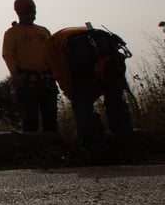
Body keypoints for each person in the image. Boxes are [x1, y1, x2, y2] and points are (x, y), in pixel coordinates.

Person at [44, 24, 134, 155]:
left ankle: (91, 149)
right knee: (116, 98)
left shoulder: (48, 51)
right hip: (105, 44)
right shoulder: (66, 37)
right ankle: (125, 145)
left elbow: (64, 77)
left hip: (80, 49)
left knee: (82, 104)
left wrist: (77, 98)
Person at [1, 0, 58, 133]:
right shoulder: (12, 33)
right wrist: (15, 75)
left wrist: (56, 73)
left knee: (51, 121)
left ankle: (52, 151)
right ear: (19, 13)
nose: (31, 15)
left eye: (32, 12)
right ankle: (30, 152)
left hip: (47, 80)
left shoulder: (44, 31)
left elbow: (53, 54)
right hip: (27, 82)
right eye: (27, 13)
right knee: (30, 122)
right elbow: (8, 55)